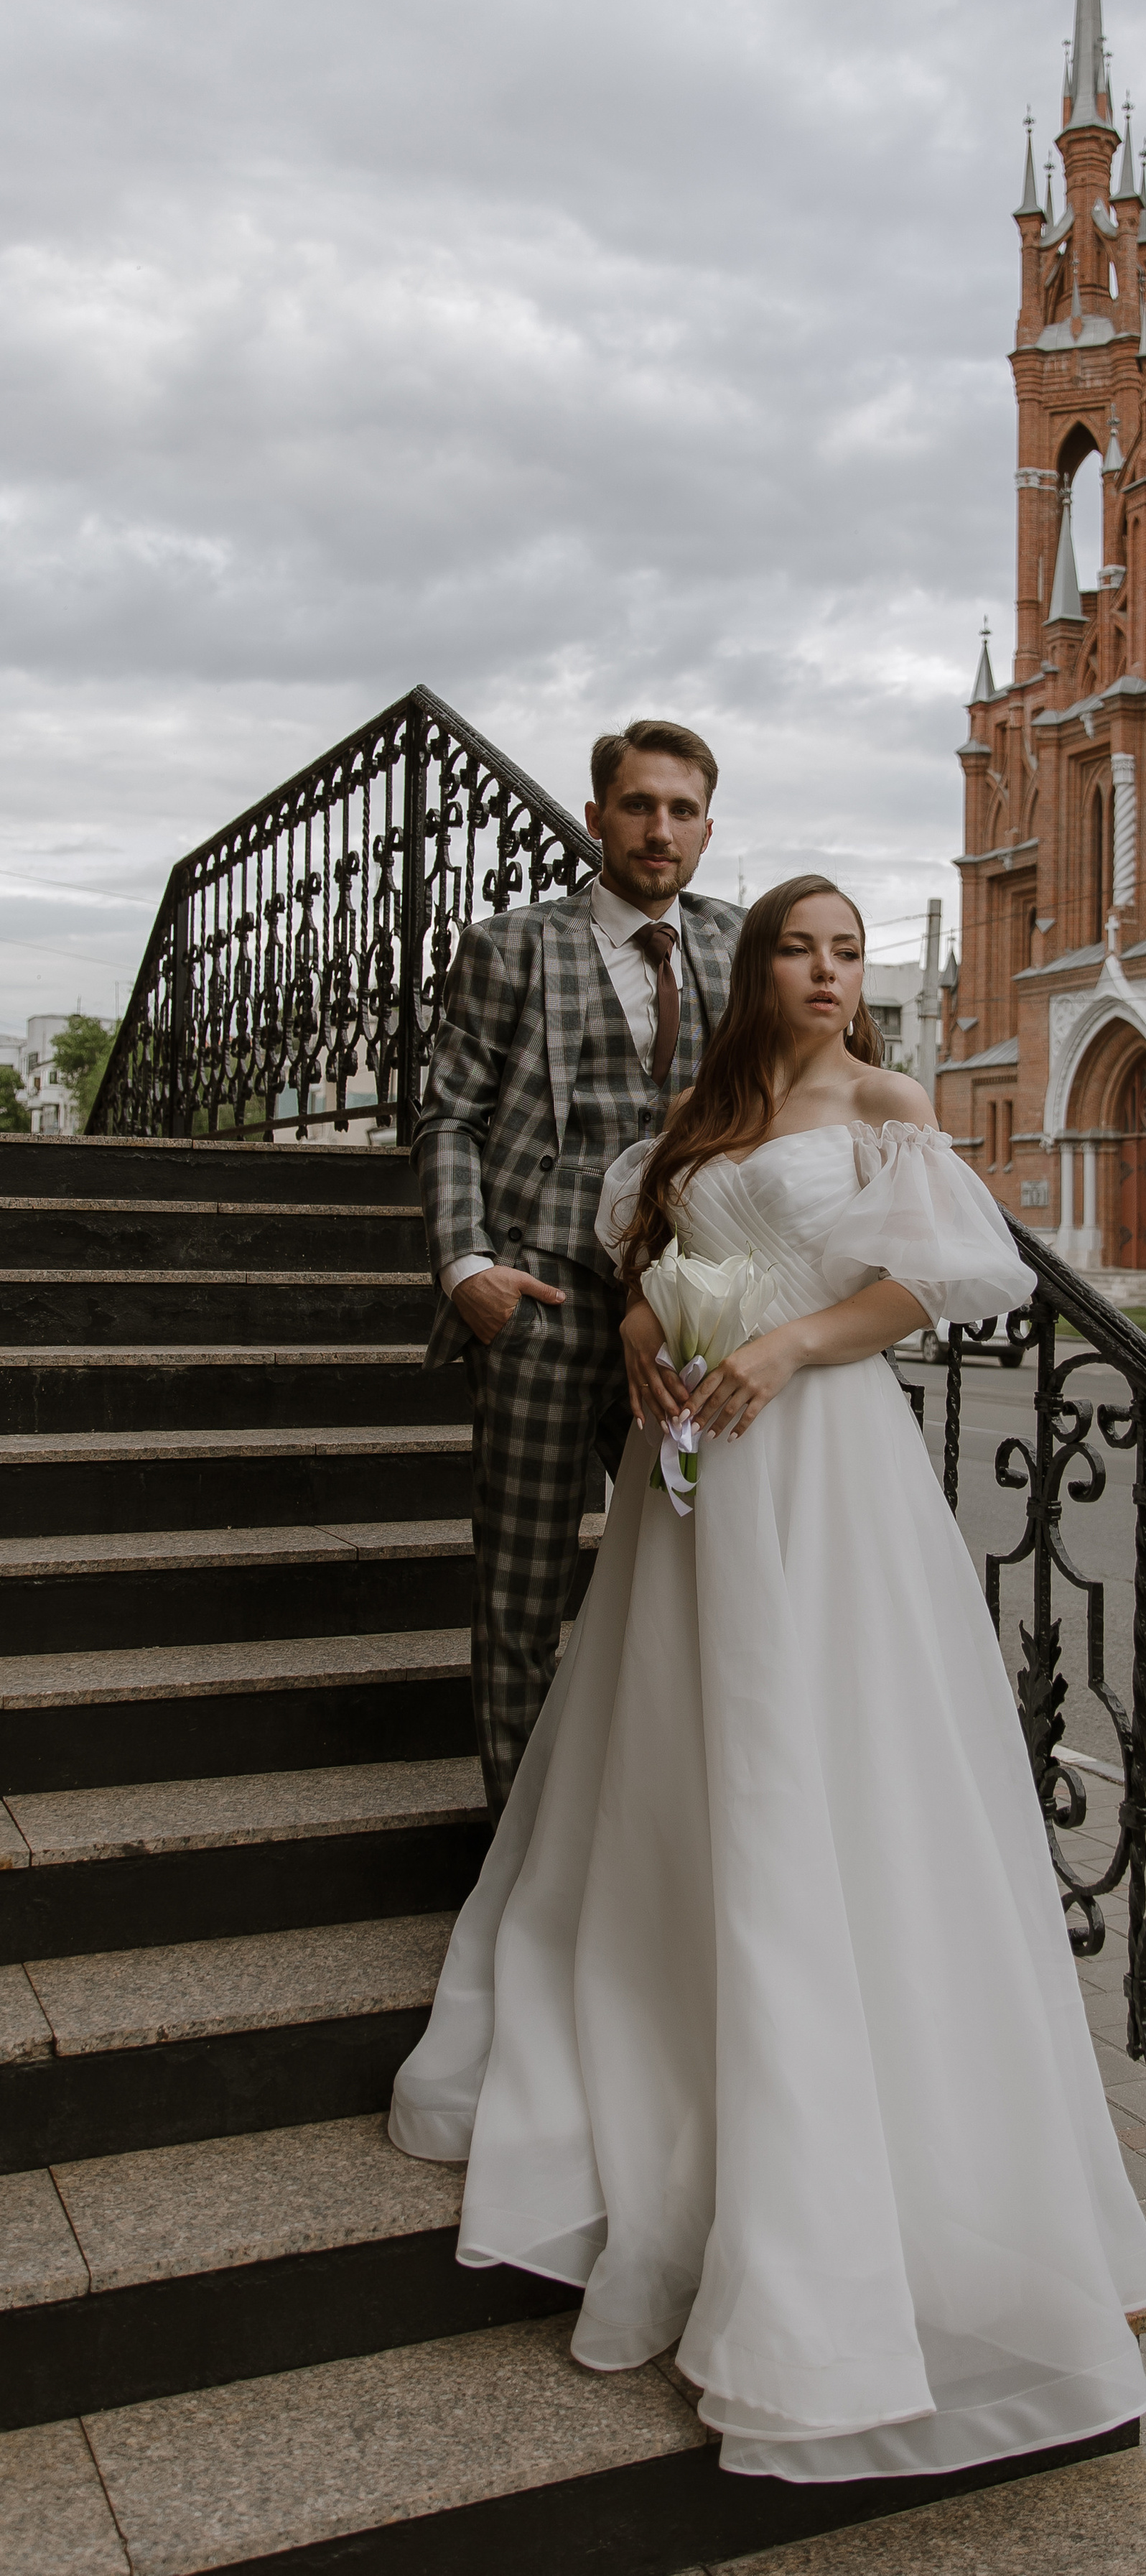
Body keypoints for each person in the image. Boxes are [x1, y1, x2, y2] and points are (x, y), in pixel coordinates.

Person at [391, 874, 1146, 2483]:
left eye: (850, 951)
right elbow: (636, 1261)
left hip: (821, 1468)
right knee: (689, 1765)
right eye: (801, 950)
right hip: (692, 1484)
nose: (829, 972)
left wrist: (783, 1346)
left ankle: (864, 2135)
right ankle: (680, 2021)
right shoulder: (686, 1118)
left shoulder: (884, 1096)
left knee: (834, 1763)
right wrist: (639, 1341)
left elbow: (932, 1283)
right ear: (753, 972)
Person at [414, 719, 742, 1816]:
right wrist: (467, 1267)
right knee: (525, 1591)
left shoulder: (741, 949)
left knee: (706, 1576)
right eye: (639, 806)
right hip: (542, 1300)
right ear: (596, 816)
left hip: (685, 1322)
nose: (661, 829)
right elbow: (450, 1118)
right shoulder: (513, 947)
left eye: (682, 810)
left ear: (706, 827)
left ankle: (659, 1849)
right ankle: (517, 1852)